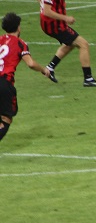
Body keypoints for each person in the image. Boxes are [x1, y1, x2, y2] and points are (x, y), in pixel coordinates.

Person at [38, 0, 96, 86]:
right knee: (83, 44)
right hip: (54, 25)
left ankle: (50, 68)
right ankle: (88, 79)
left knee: (70, 43)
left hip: (52, 23)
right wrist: (65, 18)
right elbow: (46, 11)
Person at [0, 13, 55, 144]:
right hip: (4, 84)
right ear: (18, 28)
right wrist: (44, 70)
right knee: (6, 119)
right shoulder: (20, 44)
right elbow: (30, 63)